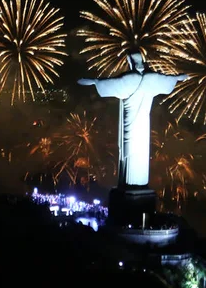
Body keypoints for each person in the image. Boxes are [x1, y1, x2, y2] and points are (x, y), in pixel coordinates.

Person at [78, 51, 188, 187]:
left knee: (129, 148)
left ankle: (130, 181)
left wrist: (94, 81)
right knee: (140, 149)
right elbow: (168, 79)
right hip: (143, 124)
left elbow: (110, 84)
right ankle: (138, 181)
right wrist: (178, 78)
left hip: (131, 121)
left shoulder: (130, 78)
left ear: (130, 63)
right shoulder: (152, 78)